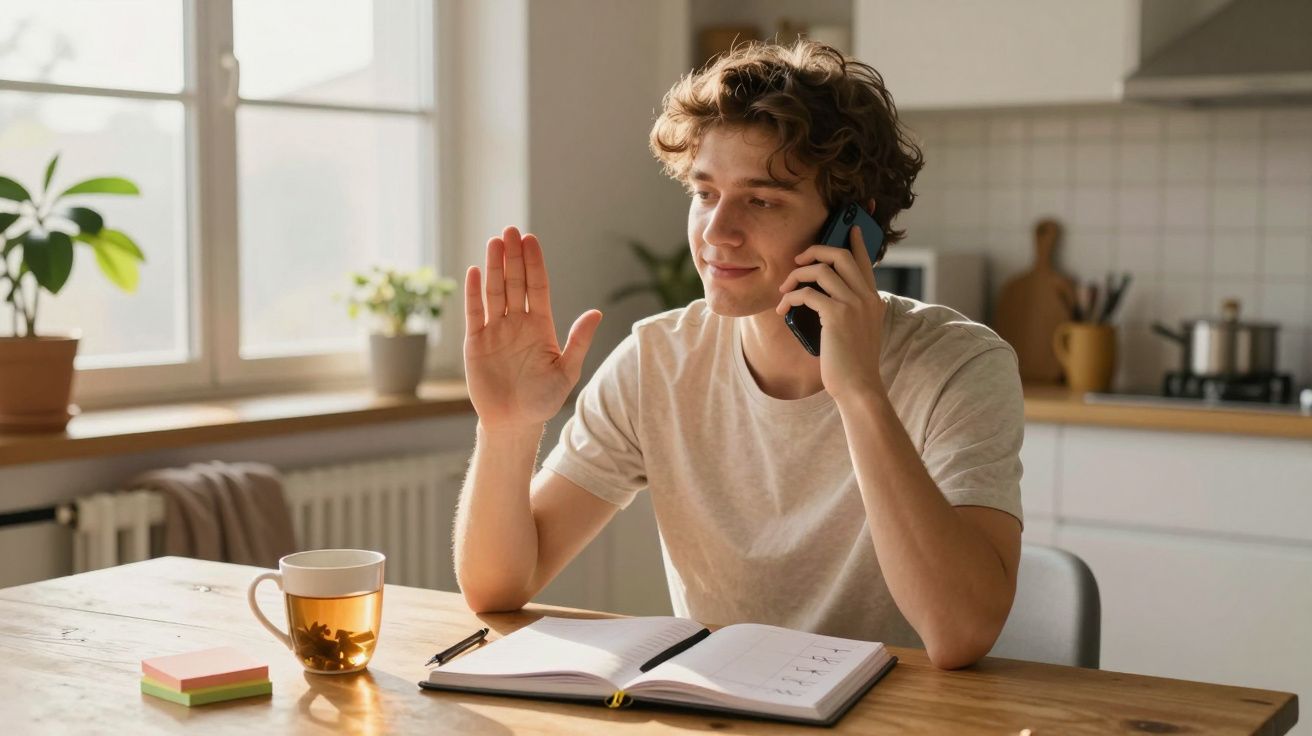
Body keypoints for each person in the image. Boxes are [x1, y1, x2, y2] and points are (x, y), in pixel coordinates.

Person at [454, 40, 1023, 670]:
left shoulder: (960, 366)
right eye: (704, 193)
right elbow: (497, 586)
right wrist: (507, 428)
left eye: (763, 200)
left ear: (852, 229)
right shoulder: (658, 359)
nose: (716, 233)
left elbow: (962, 632)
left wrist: (859, 389)